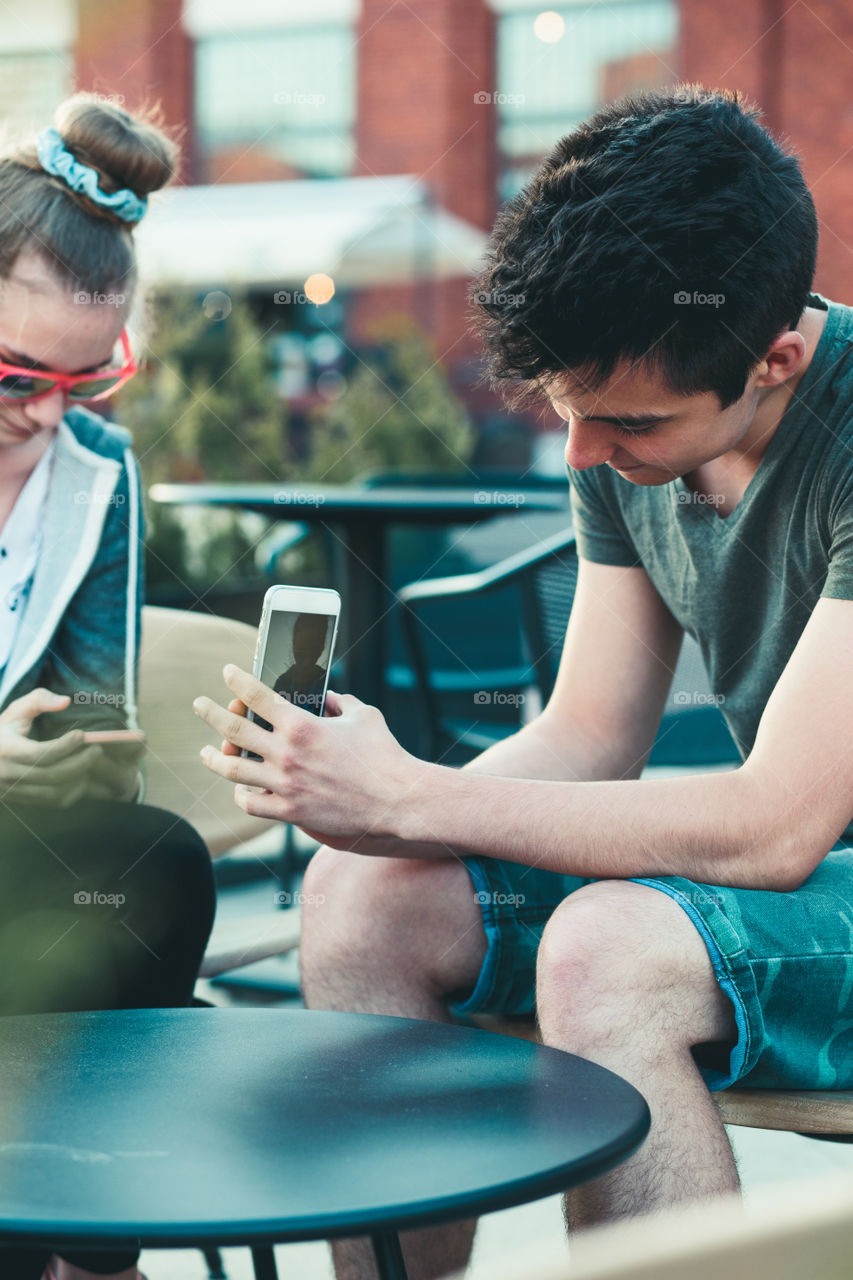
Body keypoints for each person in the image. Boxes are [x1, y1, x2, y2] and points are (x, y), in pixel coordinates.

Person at [195, 84, 853, 1279]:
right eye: (567, 413)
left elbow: (772, 828)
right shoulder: (622, 419)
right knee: (363, 891)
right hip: (794, 887)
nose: (585, 453)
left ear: (777, 357)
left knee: (608, 947)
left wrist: (413, 799)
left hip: (811, 867)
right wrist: (365, 799)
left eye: (626, 423)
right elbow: (589, 733)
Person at [0, 95, 216, 1280]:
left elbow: (99, 696)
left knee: (159, 856)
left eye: (85, 382)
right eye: (13, 376)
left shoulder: (97, 475)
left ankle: (76, 1238)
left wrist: (79, 742)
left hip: (25, 845)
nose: (46, 415)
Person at [273, 613, 329, 714]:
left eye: (313, 652)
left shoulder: (329, 683)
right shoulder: (282, 683)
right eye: (301, 651)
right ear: (293, 645)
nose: (306, 663)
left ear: (321, 649)